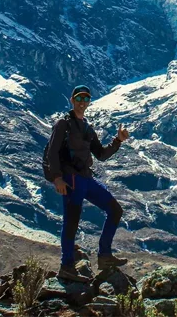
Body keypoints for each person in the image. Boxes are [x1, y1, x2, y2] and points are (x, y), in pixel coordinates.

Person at [47, 85, 131, 282]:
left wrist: (117, 141)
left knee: (115, 210)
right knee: (72, 221)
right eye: (79, 99)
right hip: (70, 179)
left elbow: (100, 154)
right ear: (72, 100)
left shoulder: (87, 128)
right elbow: (52, 152)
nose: (82, 102)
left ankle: (104, 256)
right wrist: (57, 178)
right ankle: (66, 265)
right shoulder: (63, 124)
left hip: (86, 178)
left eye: (86, 99)